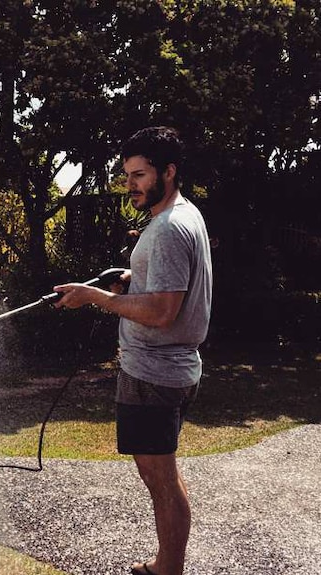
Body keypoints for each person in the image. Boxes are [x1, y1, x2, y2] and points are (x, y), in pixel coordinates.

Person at [53, 126, 212, 575]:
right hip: (170, 369)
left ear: (169, 171)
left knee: (160, 479)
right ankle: (167, 564)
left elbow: (163, 311)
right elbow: (166, 290)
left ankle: (167, 569)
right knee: (159, 474)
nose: (130, 185)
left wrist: (95, 297)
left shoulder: (166, 228)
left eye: (139, 175)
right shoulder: (187, 215)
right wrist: (130, 280)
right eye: (126, 175)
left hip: (154, 374)